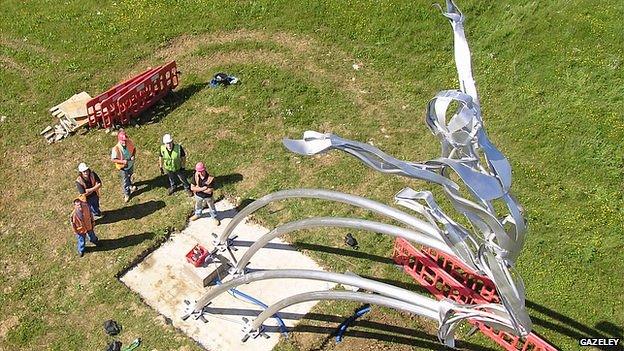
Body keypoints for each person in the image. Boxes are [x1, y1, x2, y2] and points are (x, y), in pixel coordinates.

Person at [110, 130, 137, 202]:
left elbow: (134, 149)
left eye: (125, 140)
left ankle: (130, 185)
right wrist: (122, 161)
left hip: (130, 164)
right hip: (123, 167)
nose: (125, 142)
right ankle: (127, 194)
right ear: (120, 140)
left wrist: (133, 155)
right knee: (125, 181)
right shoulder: (116, 148)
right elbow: (113, 159)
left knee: (130, 176)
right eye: (123, 141)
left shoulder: (129, 142)